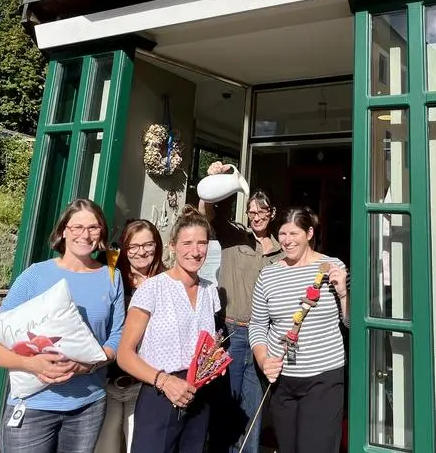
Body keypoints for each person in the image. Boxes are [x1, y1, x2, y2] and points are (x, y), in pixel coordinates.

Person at [0, 199, 125, 453]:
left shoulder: (111, 277)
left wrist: (89, 365)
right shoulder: (35, 275)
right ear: (63, 231)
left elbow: (116, 336)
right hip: (32, 406)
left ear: (101, 232)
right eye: (77, 227)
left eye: (93, 227)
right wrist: (30, 364)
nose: (85, 235)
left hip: (88, 407)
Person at [117, 207, 222, 453]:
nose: (195, 251)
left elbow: (207, 343)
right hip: (160, 393)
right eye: (187, 243)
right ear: (173, 246)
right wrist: (164, 381)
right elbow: (124, 354)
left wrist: (215, 362)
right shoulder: (152, 289)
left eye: (202, 243)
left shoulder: (209, 290)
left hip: (199, 395)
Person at [198, 162, 282, 453]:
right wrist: (214, 178)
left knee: (253, 410)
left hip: (263, 338)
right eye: (251, 211)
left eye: (262, 211)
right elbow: (206, 211)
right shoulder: (233, 234)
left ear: (273, 213)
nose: (256, 217)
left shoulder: (282, 251)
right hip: (230, 332)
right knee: (225, 408)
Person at [249, 208, 349, 453]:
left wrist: (343, 293)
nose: (287, 240)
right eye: (282, 234)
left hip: (323, 379)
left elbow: (351, 323)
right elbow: (258, 324)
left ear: (309, 233)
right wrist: (263, 360)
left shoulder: (332, 267)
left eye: (294, 233)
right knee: (287, 447)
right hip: (282, 381)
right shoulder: (268, 274)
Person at [95, 219, 166, 453]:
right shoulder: (112, 277)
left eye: (148, 245)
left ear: (157, 246)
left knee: (138, 445)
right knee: (105, 447)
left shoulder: (166, 282)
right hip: (106, 381)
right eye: (133, 246)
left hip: (144, 384)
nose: (141, 252)